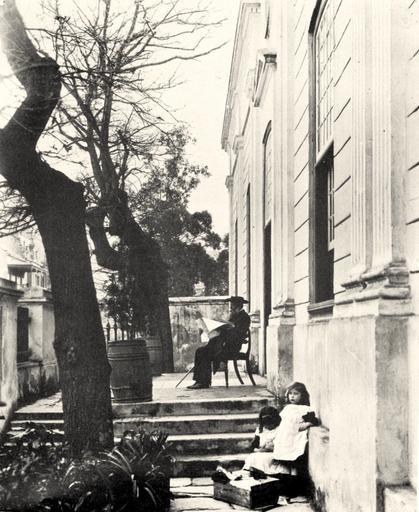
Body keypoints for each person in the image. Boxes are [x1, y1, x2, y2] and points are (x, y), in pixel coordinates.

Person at [242, 382, 318, 477]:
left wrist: (302, 426)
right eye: (290, 394)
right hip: (284, 437)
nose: (292, 396)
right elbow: (282, 422)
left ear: (303, 395)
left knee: (293, 457)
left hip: (295, 436)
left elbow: (312, 421)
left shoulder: (305, 409)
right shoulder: (287, 408)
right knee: (282, 455)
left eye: (295, 394)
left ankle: (293, 477)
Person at [187, 296, 250, 389]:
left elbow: (239, 334)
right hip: (222, 344)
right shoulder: (233, 316)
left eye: (232, 306)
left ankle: (203, 382)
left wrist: (230, 327)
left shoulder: (245, 317)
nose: (230, 308)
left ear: (238, 306)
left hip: (231, 347)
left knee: (203, 353)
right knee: (200, 351)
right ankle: (200, 381)